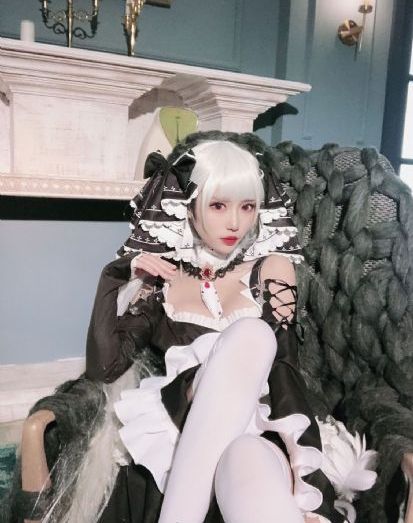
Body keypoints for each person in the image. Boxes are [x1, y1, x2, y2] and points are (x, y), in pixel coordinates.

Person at [15, 131, 374, 523]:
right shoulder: (162, 282)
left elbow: (285, 367)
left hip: (261, 428)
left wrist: (302, 468)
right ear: (189, 208)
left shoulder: (271, 269)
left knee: (252, 346)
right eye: (218, 205)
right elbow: (105, 368)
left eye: (247, 206)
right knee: (244, 362)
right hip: (182, 430)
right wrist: (117, 276)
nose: (235, 222)